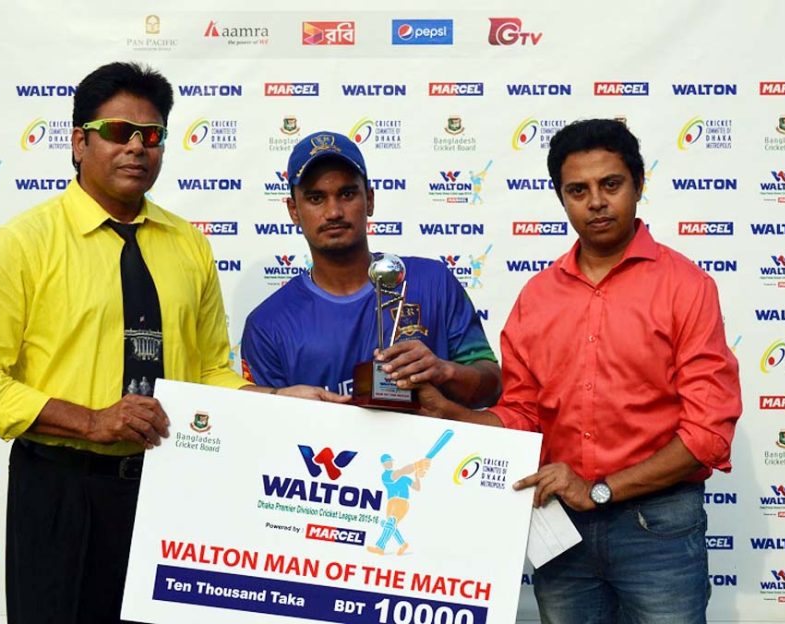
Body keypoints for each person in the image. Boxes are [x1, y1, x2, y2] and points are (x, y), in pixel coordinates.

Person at [0, 62, 340, 624]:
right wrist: (91, 421)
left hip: (170, 490)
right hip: (60, 492)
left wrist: (277, 402)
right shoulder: (23, 244)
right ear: (79, 142)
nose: (136, 148)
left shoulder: (188, 246)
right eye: (117, 133)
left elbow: (208, 375)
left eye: (150, 137)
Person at [418, 119, 741, 623]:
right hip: (559, 527)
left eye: (610, 185)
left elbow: (709, 434)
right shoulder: (537, 297)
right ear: (561, 198)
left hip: (658, 524)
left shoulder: (687, 288)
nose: (596, 202)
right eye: (578, 190)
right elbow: (522, 414)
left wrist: (598, 490)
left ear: (638, 185)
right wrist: (451, 415)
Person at [241, 131, 501, 408]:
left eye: (347, 194)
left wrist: (444, 371)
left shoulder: (433, 282)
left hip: (429, 452)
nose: (333, 212)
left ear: (370, 199)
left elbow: (492, 386)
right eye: (316, 198)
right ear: (294, 210)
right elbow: (267, 433)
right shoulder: (267, 324)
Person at [367, 453, 431, 556]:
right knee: (389, 525)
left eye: (390, 461)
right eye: (387, 462)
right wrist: (417, 465)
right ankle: (403, 544)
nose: (389, 463)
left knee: (390, 522)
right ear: (383, 464)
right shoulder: (386, 476)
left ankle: (380, 547)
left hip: (402, 503)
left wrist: (417, 476)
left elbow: (417, 487)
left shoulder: (404, 478)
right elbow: (400, 472)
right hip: (391, 503)